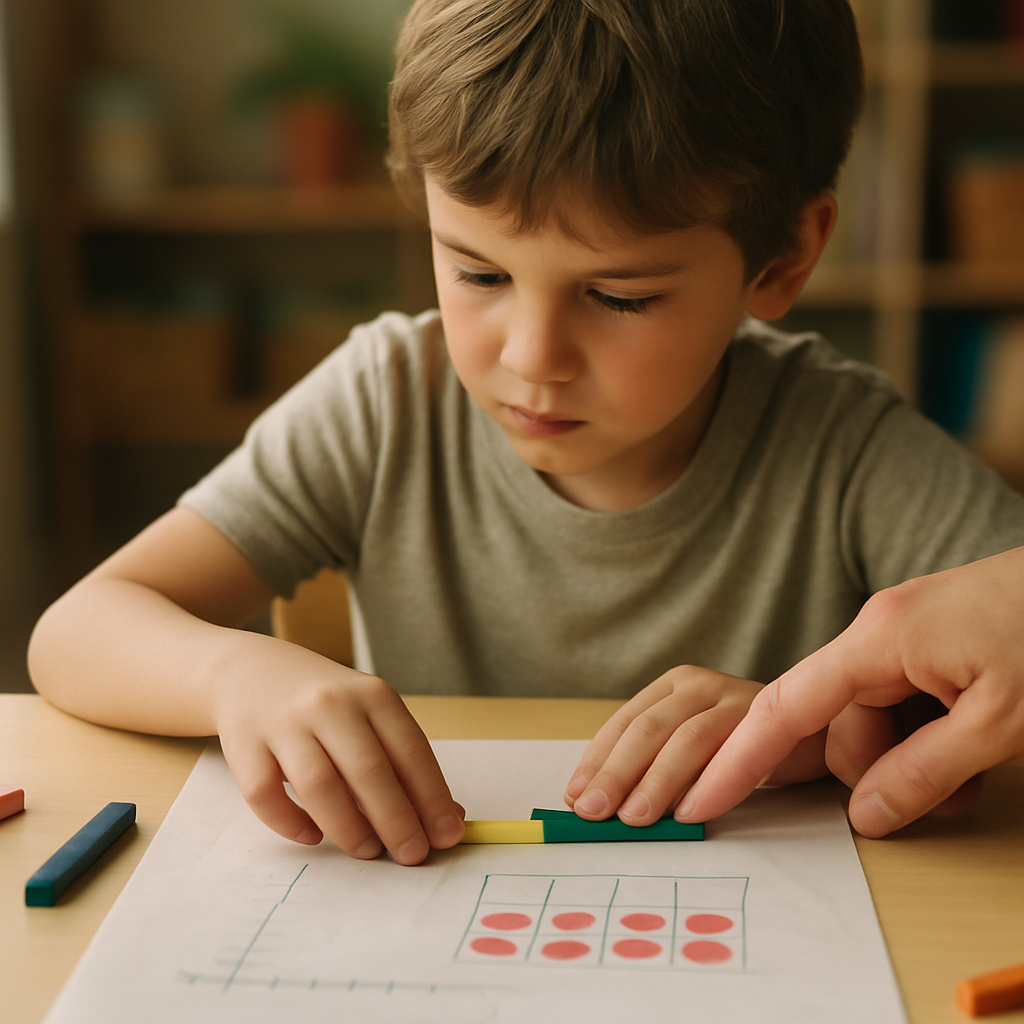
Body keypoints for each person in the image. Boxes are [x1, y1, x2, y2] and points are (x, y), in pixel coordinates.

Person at [28, 0, 1024, 864]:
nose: (532, 355)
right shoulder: (385, 404)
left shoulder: (844, 448)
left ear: (781, 258)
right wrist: (233, 671)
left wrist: (799, 725)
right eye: (477, 273)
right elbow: (75, 631)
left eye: (619, 296)